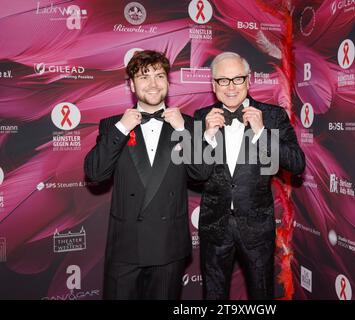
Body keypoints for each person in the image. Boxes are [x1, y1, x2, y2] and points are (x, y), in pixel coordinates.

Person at [84, 50, 207, 299]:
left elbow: (201, 172)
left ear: (167, 82)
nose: (153, 84)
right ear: (131, 84)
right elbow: (95, 173)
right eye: (144, 76)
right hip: (125, 244)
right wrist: (121, 129)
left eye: (159, 76)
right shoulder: (112, 125)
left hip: (168, 246)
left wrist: (183, 130)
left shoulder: (187, 123)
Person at [194, 51, 305, 300]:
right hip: (214, 226)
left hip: (257, 228)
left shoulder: (273, 116)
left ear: (249, 80)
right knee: (213, 295)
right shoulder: (202, 118)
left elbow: (297, 164)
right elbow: (194, 174)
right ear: (213, 84)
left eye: (238, 79)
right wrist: (206, 137)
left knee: (261, 294)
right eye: (223, 80)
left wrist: (262, 132)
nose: (231, 87)